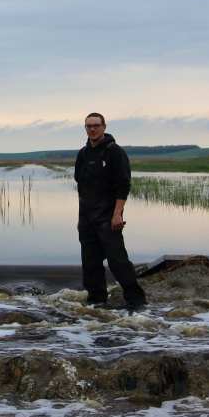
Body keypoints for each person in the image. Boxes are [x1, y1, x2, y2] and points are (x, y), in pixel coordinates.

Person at [74, 112, 147, 311]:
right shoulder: (83, 153)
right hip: (87, 217)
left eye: (96, 125)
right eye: (88, 126)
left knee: (117, 260)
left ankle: (136, 300)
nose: (92, 129)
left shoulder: (115, 152)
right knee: (90, 262)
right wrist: (83, 217)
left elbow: (123, 185)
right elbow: (80, 182)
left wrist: (117, 213)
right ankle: (96, 300)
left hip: (109, 216)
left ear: (104, 127)